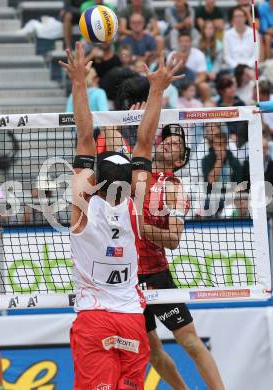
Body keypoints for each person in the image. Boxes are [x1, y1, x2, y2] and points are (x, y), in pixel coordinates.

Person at [59, 41, 183, 389]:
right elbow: (144, 142)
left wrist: (80, 82)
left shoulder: (81, 210)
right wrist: (157, 89)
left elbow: (85, 135)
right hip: (131, 318)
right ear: (129, 183)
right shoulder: (134, 204)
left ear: (96, 182)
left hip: (95, 318)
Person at [137, 124, 225, 390]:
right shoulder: (137, 175)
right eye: (166, 140)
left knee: (188, 341)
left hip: (155, 275)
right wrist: (131, 121)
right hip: (127, 278)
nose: (168, 143)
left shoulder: (175, 190)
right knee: (152, 351)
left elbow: (174, 241)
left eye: (175, 144)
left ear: (180, 159)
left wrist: (139, 226)